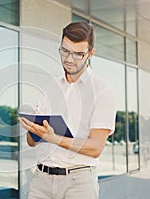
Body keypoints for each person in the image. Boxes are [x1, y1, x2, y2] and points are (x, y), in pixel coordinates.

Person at [19, 22, 117, 199]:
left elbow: (95, 147)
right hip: (41, 180)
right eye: (65, 51)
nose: (69, 59)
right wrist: (33, 129)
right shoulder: (50, 86)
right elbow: (32, 143)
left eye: (78, 54)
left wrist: (53, 137)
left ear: (90, 54)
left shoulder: (102, 91)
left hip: (78, 183)